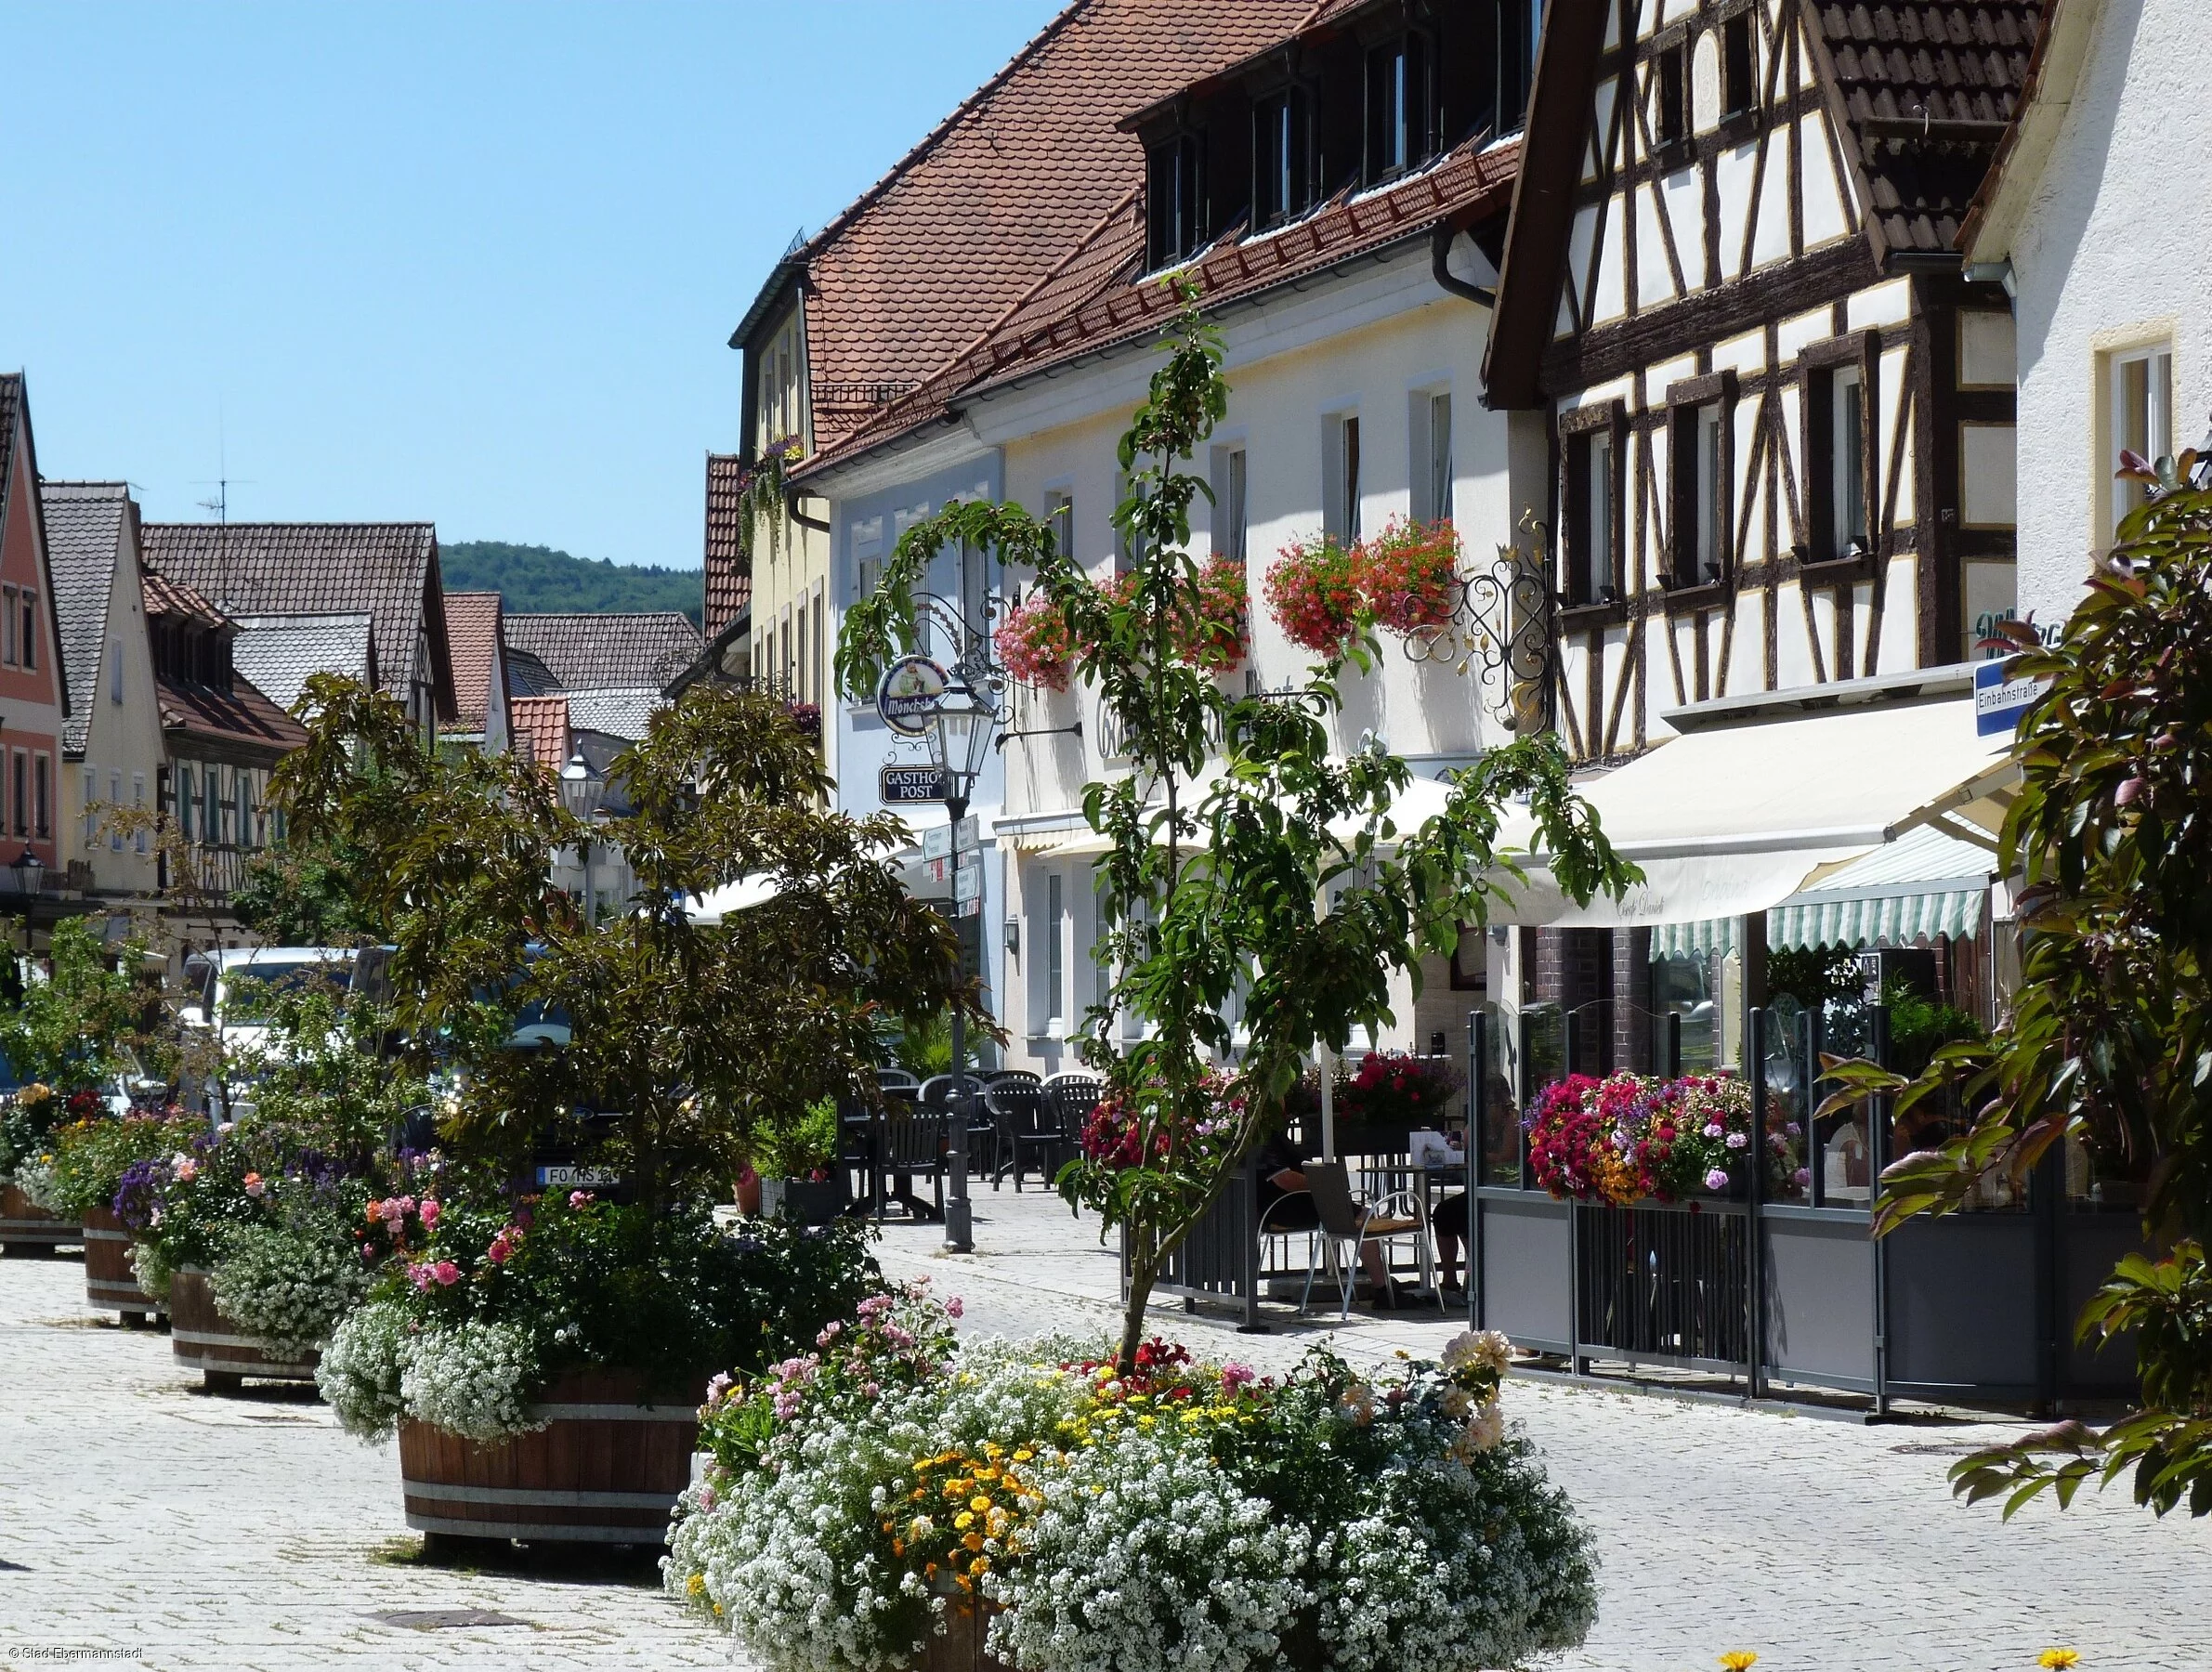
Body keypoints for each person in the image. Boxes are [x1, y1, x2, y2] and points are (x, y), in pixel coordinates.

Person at [1253, 1130, 1406, 1308]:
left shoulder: (1264, 1136)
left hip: (1280, 1207)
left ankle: (1382, 1285)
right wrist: (1323, 1183)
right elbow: (1285, 1179)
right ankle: (1383, 1288)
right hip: (1284, 1209)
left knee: (1357, 1213)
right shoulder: (1266, 1139)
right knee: (1364, 1216)